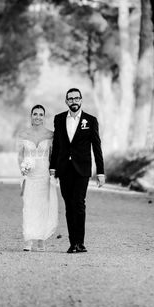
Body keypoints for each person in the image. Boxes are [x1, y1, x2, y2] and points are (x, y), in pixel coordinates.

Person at [49, 88, 105, 254]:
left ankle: (80, 243)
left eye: (76, 98)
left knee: (79, 203)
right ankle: (72, 243)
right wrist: (53, 167)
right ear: (66, 101)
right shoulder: (59, 119)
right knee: (69, 205)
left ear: (81, 100)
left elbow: (97, 147)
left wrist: (100, 172)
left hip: (82, 169)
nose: (74, 101)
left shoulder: (91, 120)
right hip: (64, 168)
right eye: (70, 99)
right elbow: (57, 145)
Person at [16, 104, 59, 252]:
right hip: (29, 176)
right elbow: (20, 155)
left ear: (44, 117)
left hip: (44, 175)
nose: (38, 117)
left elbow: (54, 156)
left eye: (41, 114)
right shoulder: (23, 135)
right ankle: (28, 240)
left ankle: (41, 240)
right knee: (28, 206)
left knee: (43, 207)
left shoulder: (50, 135)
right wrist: (23, 168)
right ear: (31, 116)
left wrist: (54, 174)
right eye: (35, 114)